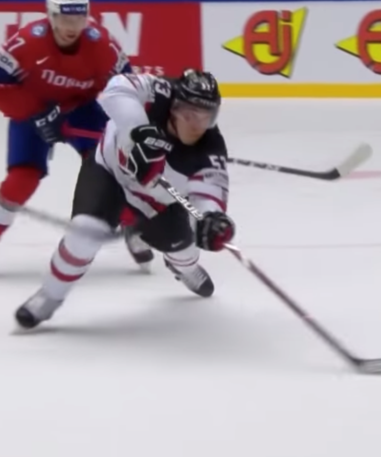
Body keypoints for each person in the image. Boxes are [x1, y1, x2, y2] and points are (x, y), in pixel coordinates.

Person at [15, 69, 236, 330]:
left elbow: (209, 192)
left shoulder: (211, 149)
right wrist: (138, 132)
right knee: (84, 235)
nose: (196, 125)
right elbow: (116, 88)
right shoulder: (160, 91)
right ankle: (49, 296)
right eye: (189, 113)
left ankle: (184, 268)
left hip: (157, 203)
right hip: (108, 173)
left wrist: (210, 219)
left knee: (184, 250)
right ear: (174, 107)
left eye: (206, 117)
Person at [0, 0, 145, 259]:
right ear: (50, 16)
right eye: (65, 18)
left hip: (82, 110)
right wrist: (35, 111)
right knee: (22, 179)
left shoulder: (103, 45)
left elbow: (129, 88)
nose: (72, 25)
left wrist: (133, 127)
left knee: (112, 167)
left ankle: (133, 228)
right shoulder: (26, 42)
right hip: (34, 111)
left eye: (79, 18)